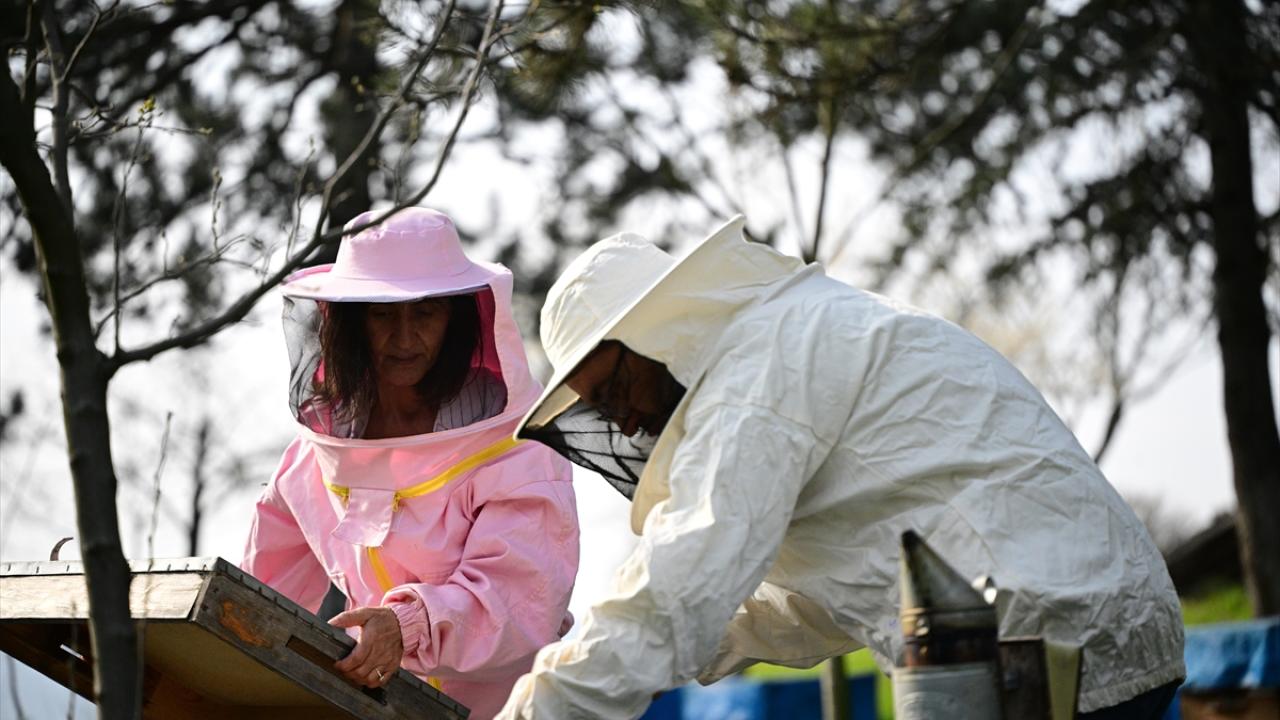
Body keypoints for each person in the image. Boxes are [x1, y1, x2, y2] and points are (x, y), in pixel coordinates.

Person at [496, 215, 1185, 719]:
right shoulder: (791, 340)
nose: (620, 422)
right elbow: (818, 599)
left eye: (614, 390)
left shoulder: (762, 370)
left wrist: (539, 707)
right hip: (1077, 624)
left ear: (657, 334)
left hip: (1040, 632)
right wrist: (613, 648)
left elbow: (683, 571)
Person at [242, 207, 579, 720]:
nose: (403, 338)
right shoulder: (316, 453)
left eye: (424, 313)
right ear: (351, 322)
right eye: (382, 314)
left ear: (458, 317)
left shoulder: (518, 447)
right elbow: (260, 591)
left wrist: (407, 625)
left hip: (517, 708)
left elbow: (520, 597)